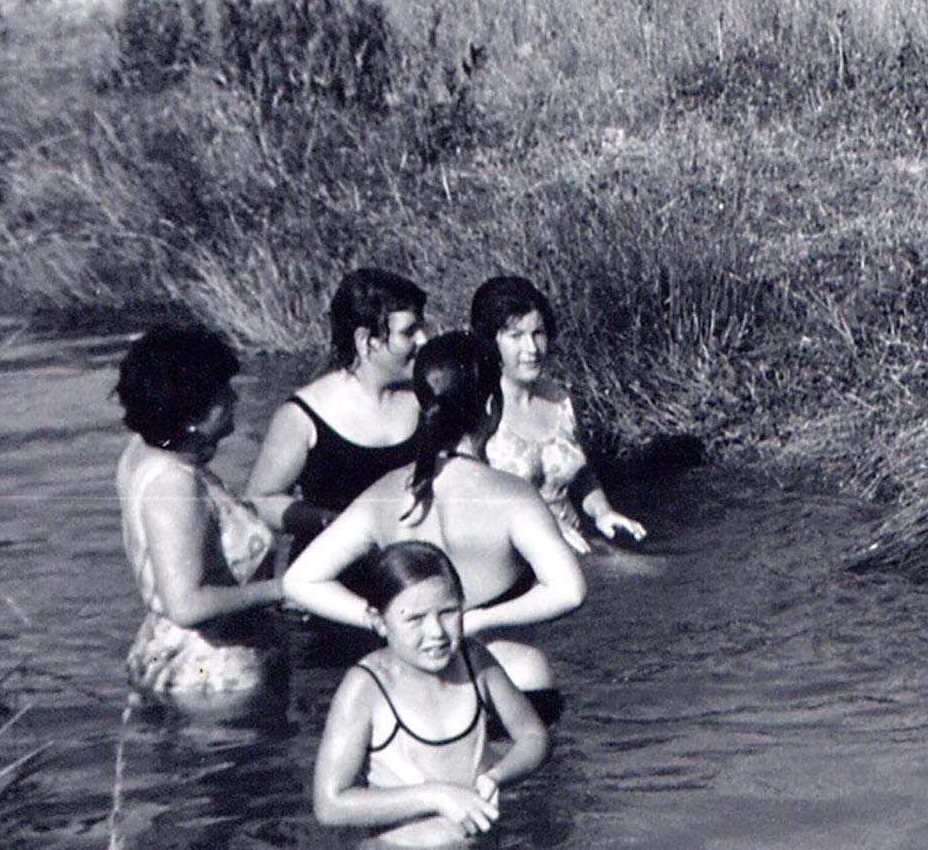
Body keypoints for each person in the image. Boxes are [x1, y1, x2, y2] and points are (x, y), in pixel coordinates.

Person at [283, 331, 586, 693]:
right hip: (510, 680)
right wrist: (476, 620)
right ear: (492, 407)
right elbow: (570, 590)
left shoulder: (384, 493)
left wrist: (386, 622)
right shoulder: (512, 495)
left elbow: (299, 582)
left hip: (417, 695)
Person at [311, 541, 549, 850]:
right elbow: (330, 804)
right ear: (379, 621)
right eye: (415, 619)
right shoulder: (366, 687)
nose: (436, 631)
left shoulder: (474, 660)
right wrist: (437, 796)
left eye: (448, 612)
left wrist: (497, 775)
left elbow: (533, 736)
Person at [115, 324, 286, 716]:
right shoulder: (176, 484)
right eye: (224, 394)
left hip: (169, 653)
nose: (235, 398)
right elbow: (187, 604)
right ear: (191, 414)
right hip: (214, 674)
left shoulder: (142, 453)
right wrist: (285, 590)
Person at [245, 268, 429, 548]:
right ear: (366, 341)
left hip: (413, 570)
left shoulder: (426, 400)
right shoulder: (303, 414)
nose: (423, 340)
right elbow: (260, 500)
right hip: (330, 575)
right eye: (409, 332)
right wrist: (336, 523)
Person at [469, 275, 646, 554]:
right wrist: (544, 528)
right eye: (516, 336)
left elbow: (583, 476)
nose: (531, 349)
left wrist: (603, 512)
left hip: (576, 544)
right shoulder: (477, 409)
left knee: (659, 572)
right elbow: (467, 499)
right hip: (512, 555)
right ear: (491, 341)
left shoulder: (562, 400)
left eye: (538, 333)